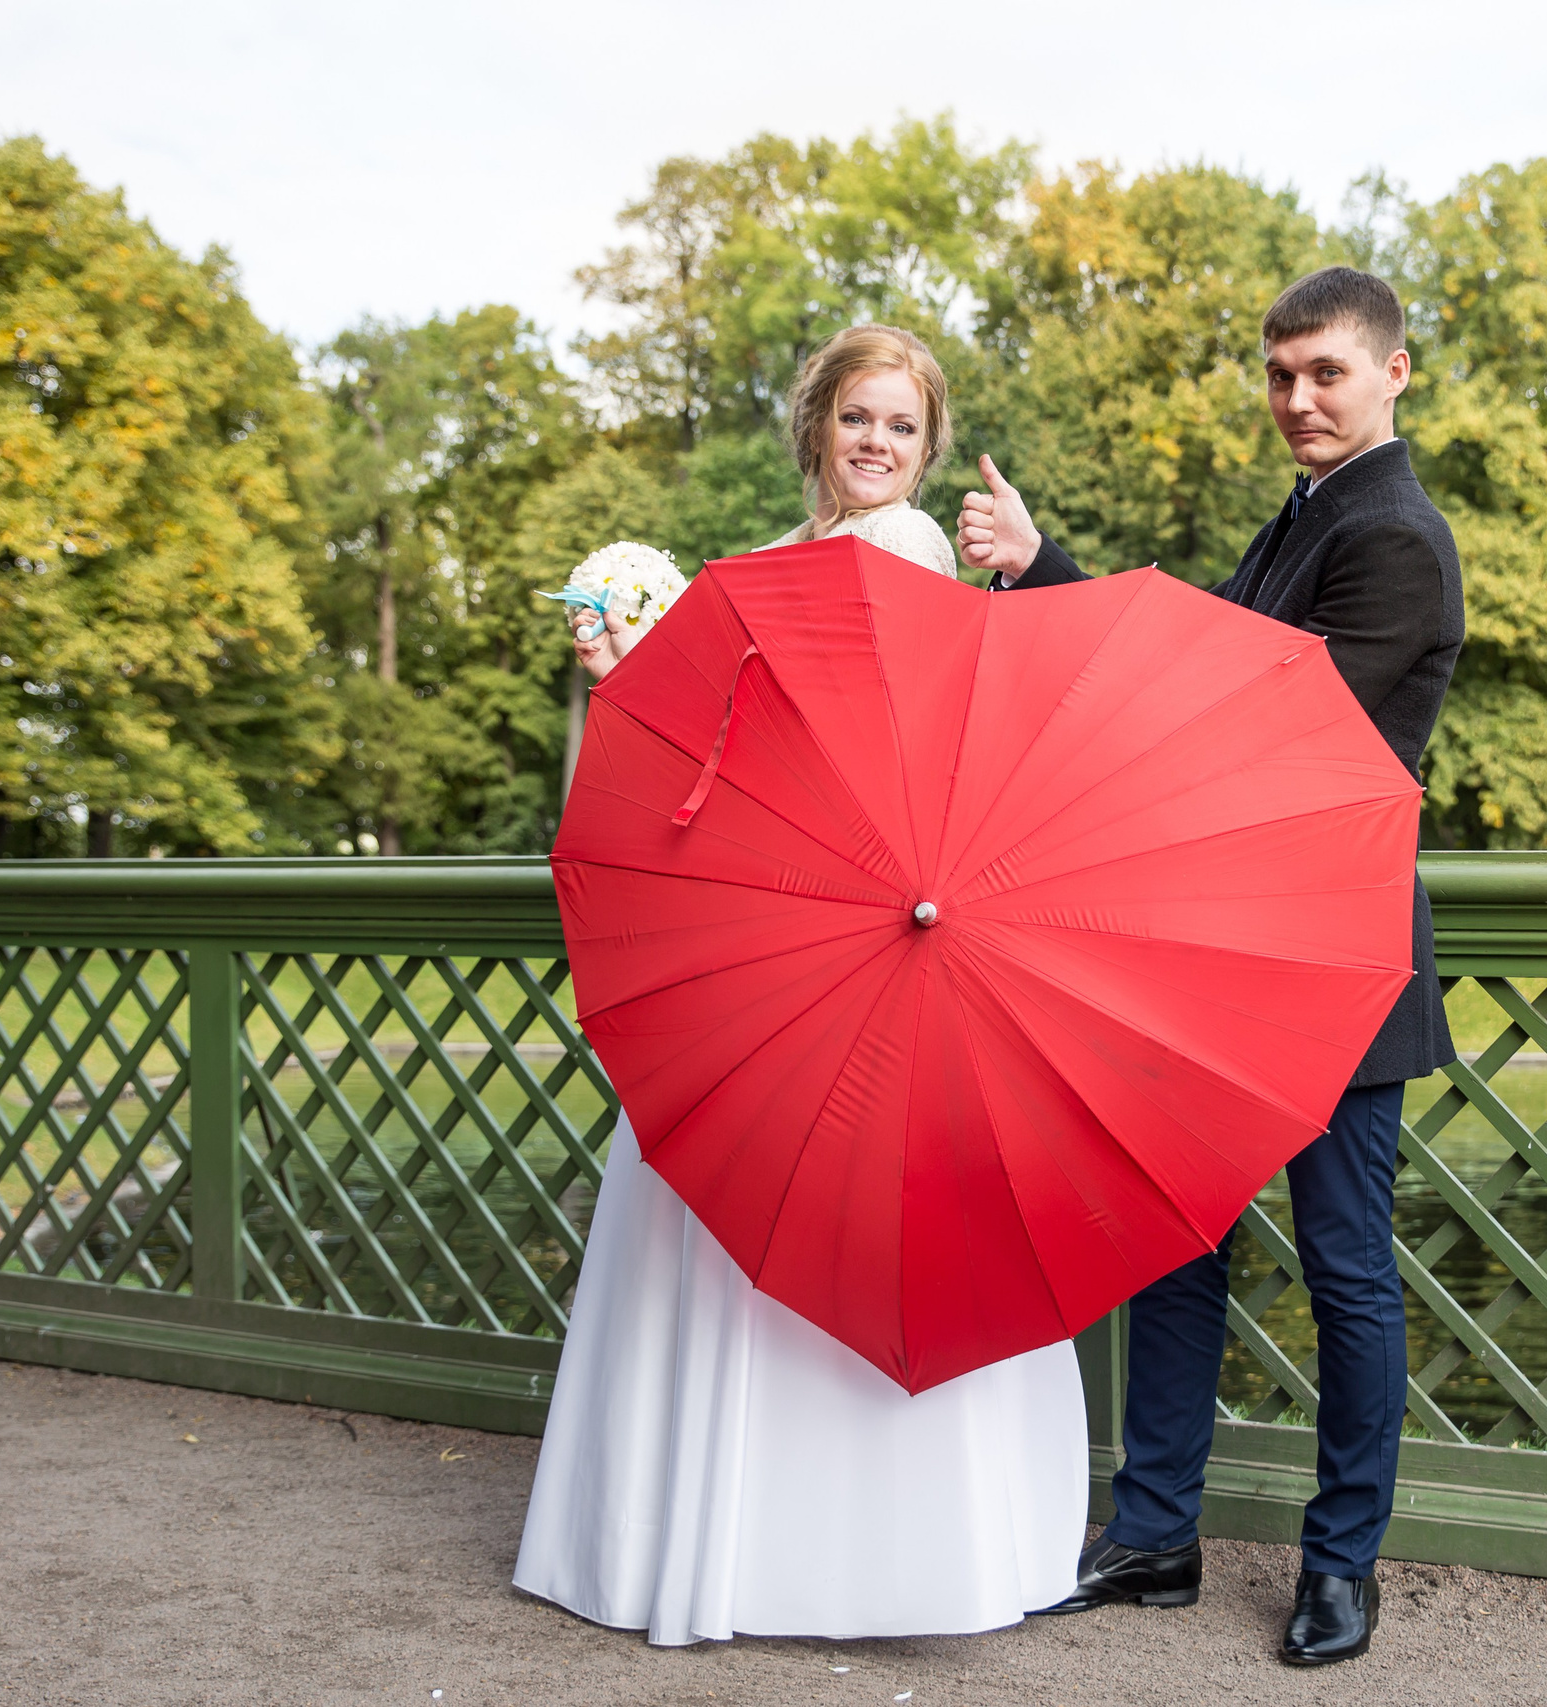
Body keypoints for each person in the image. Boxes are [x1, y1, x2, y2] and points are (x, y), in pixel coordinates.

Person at [515, 324, 1088, 1647]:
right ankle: (775, 1548)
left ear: (929, 446)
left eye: (901, 424)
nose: (876, 442)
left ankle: (779, 1549)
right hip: (766, 925)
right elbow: (700, 776)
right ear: (817, 428)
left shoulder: (917, 558)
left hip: (864, 926)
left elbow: (915, 755)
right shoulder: (758, 572)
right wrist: (625, 684)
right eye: (857, 418)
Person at [958, 266, 1465, 1668]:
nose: (1299, 402)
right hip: (1219, 956)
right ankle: (1158, 1533)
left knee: (1347, 1267)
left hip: (1337, 965)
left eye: (1328, 376)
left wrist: (1056, 573)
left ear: (1394, 374)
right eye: (1281, 376)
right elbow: (1200, 677)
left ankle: (1341, 1567)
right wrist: (1044, 573)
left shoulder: (1397, 540)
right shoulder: (1305, 518)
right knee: (1173, 1244)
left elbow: (1234, 720)